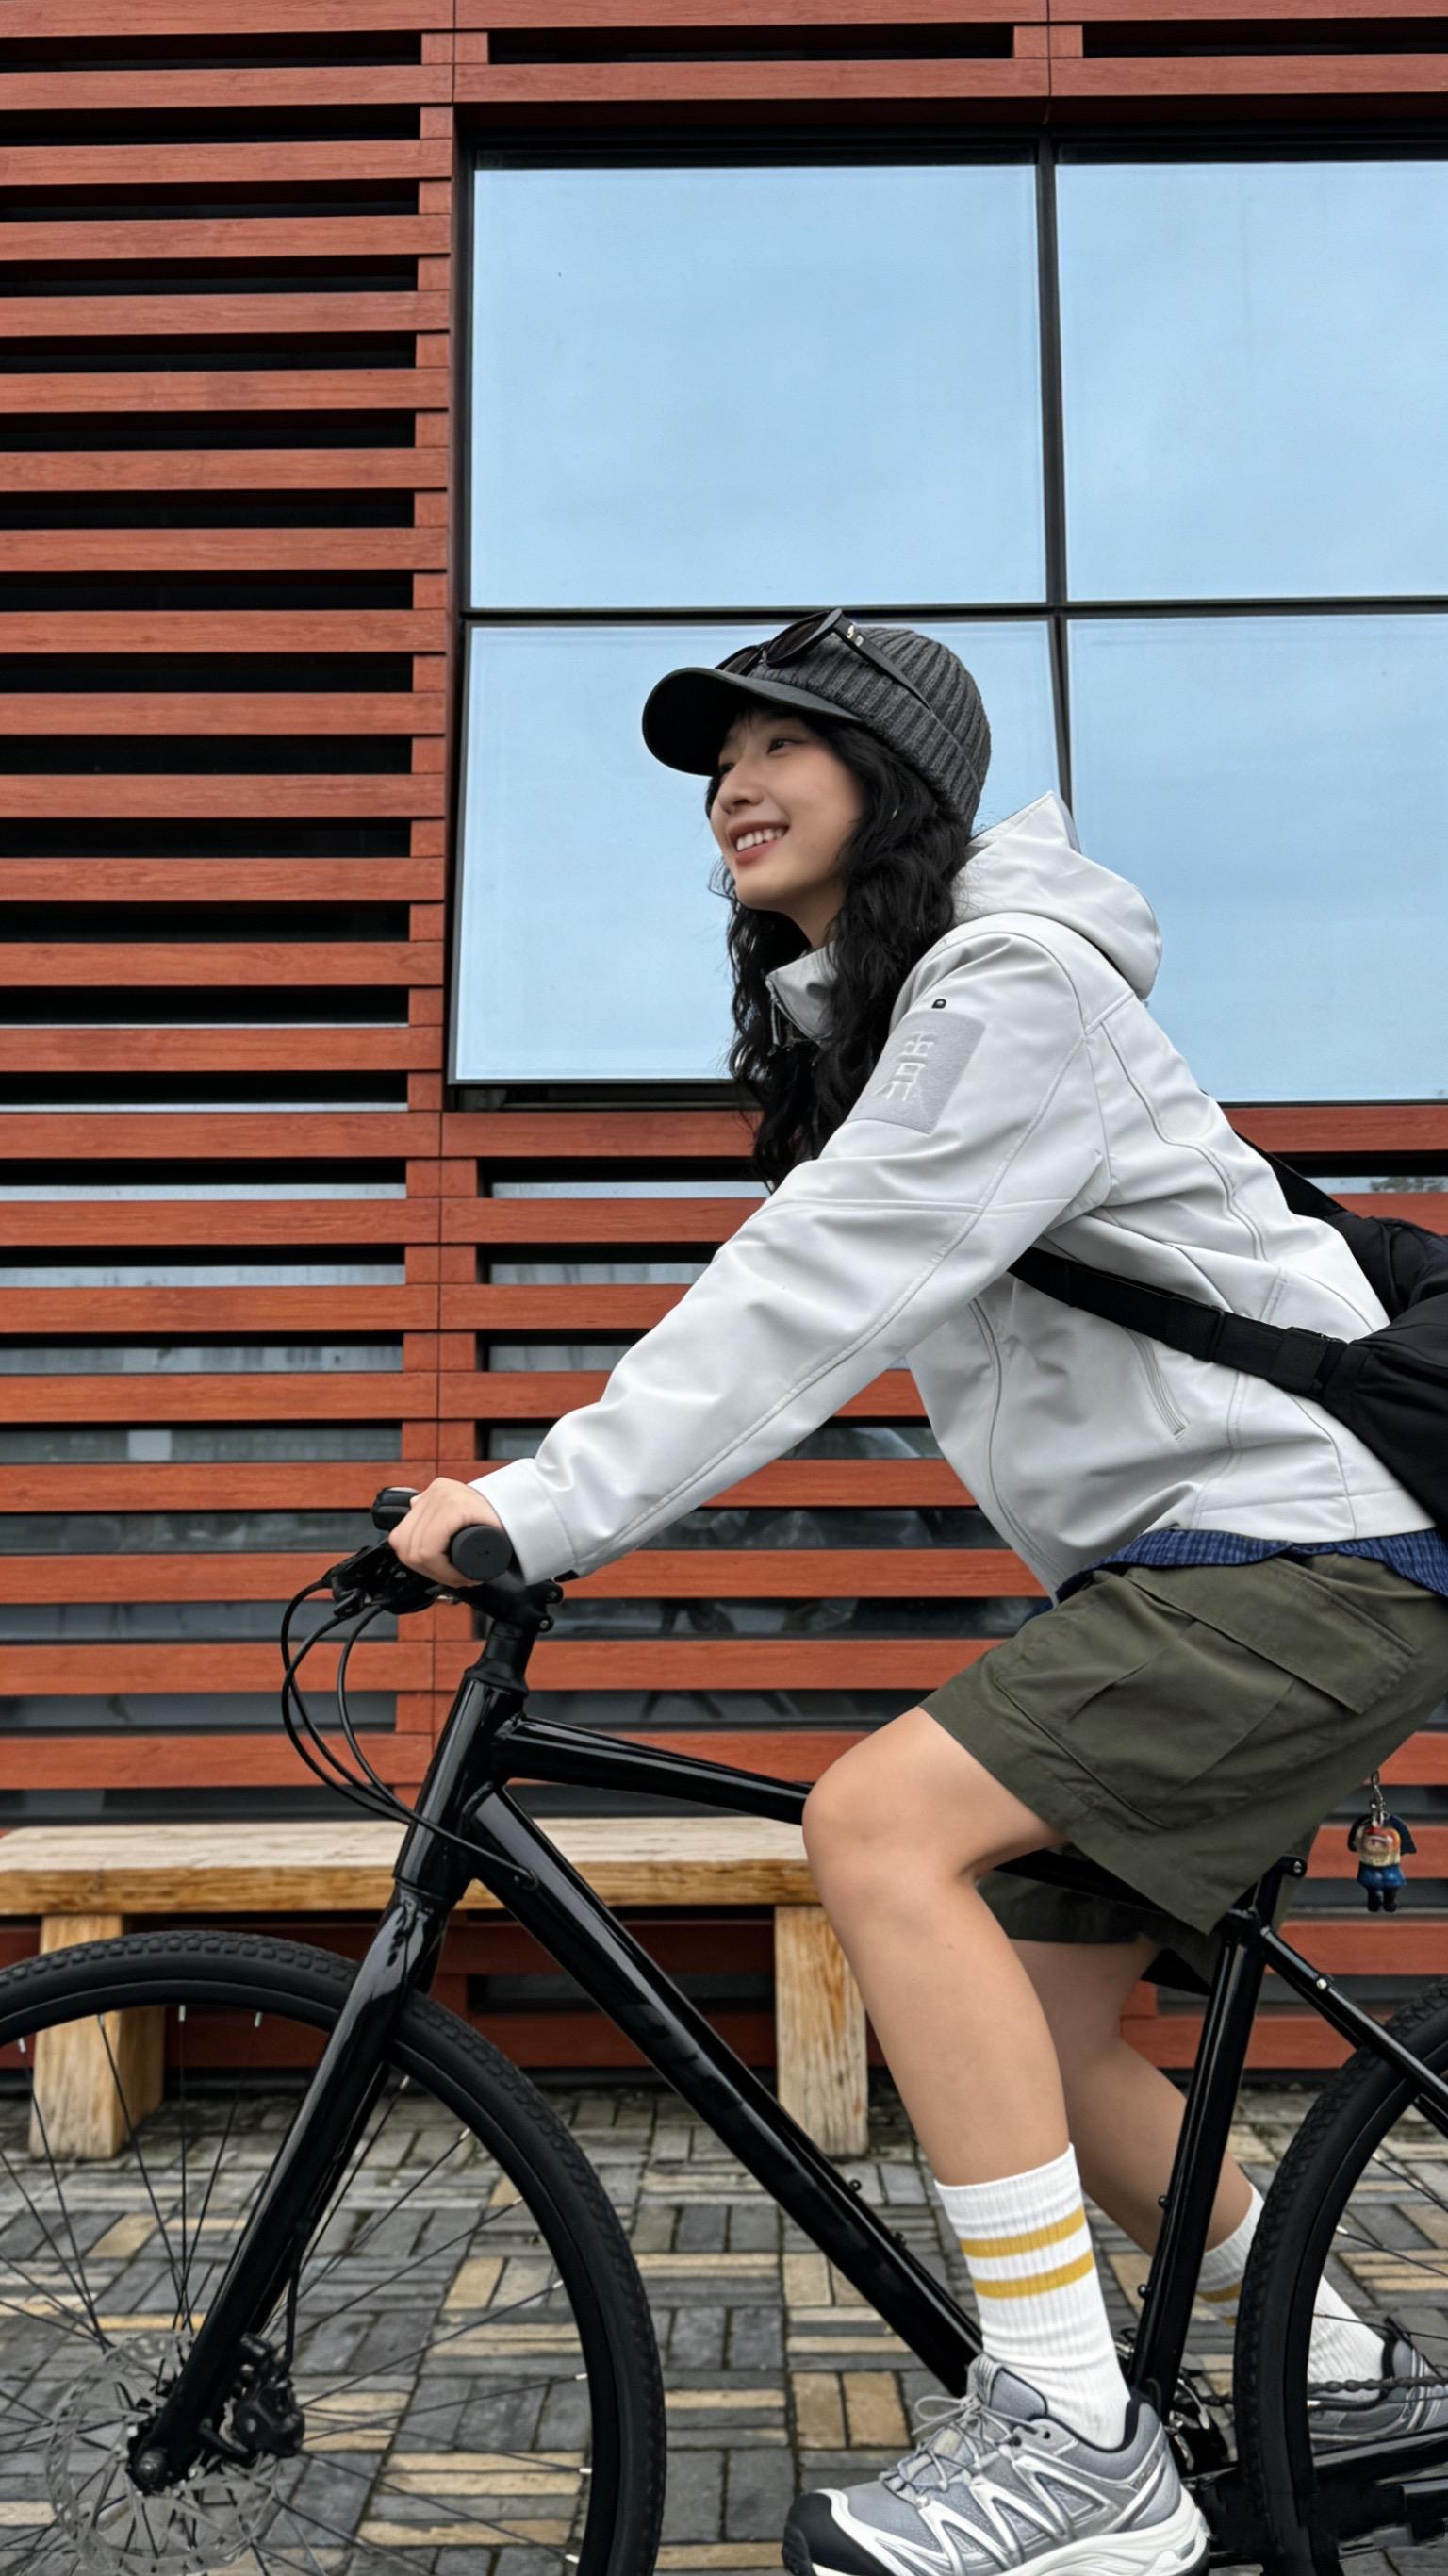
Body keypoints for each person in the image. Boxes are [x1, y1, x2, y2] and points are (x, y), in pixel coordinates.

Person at [390, 617, 1448, 2576]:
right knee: (1034, 2028)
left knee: (876, 1824)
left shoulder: (1009, 989)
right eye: (720, 758)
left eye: (788, 742)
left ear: (900, 787)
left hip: (1299, 1552)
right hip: (1221, 1567)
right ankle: (1342, 2367)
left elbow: (807, 1290)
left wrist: (538, 1509)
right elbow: (829, 1291)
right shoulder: (905, 1027)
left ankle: (1072, 2441)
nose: (738, 781)